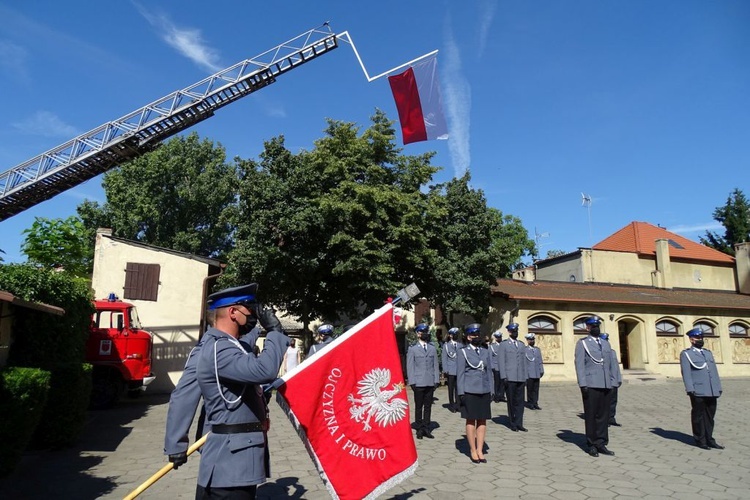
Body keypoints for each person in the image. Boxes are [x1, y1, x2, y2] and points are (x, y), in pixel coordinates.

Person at [194, 283, 290, 499]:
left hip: (235, 463)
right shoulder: (221, 348)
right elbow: (264, 370)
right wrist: (274, 331)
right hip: (229, 465)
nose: (253, 315)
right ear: (233, 312)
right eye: (249, 309)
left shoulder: (229, 345)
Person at [164, 312, 260, 469]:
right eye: (247, 309)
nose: (250, 314)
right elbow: (183, 397)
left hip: (246, 443)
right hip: (218, 442)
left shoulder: (238, 343)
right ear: (231, 313)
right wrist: (176, 444)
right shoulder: (208, 349)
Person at [575, 315, 616, 457]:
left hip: (605, 384)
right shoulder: (583, 343)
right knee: (592, 415)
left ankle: (602, 442)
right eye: (593, 326)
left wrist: (612, 382)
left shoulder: (605, 344)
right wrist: (583, 384)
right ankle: (592, 444)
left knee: (604, 416)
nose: (596, 328)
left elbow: (610, 364)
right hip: (591, 384)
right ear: (588, 328)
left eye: (598, 326)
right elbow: (580, 365)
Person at [680, 327, 724, 450]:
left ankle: (710, 439)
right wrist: (690, 389)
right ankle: (700, 440)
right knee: (698, 416)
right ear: (691, 339)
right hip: (698, 390)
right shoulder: (686, 354)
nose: (700, 340)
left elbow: (714, 372)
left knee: (710, 416)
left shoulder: (708, 353)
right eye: (698, 338)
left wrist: (718, 387)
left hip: (711, 390)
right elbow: (686, 373)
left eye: (701, 338)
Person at [457, 323, 494, 464]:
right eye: (473, 335)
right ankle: (472, 450)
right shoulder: (463, 352)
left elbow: (489, 371)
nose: (476, 337)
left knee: (483, 420)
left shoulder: (485, 351)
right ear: (468, 337)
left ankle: (480, 450)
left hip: (484, 389)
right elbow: (460, 374)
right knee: (471, 419)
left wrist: (492, 390)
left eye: (478, 335)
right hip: (470, 390)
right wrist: (461, 393)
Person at [407, 323, 440, 439]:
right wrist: (412, 382)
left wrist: (436, 379)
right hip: (418, 382)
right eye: (421, 332)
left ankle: (426, 427)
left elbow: (435, 365)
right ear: (417, 334)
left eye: (425, 332)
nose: (424, 334)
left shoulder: (431, 348)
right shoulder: (413, 349)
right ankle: (419, 428)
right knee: (418, 406)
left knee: (428, 406)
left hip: (430, 381)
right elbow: (410, 366)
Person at [499, 323, 528, 432]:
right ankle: (512, 423)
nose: (515, 333)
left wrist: (525, 376)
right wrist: (503, 376)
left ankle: (519, 423)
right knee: (511, 401)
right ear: (509, 332)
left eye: (516, 331)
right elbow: (501, 361)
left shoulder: (521, 344)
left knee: (520, 401)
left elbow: (524, 362)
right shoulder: (504, 345)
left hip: (520, 377)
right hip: (509, 377)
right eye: (513, 331)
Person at [600, 333, 622, 426]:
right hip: (604, 381)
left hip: (613, 381)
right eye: (604, 340)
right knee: (603, 402)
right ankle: (603, 420)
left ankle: (611, 418)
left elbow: (616, 366)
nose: (606, 341)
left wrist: (619, 379)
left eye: (607, 340)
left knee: (613, 401)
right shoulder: (598, 353)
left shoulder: (612, 352)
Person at [441, 327, 463, 413]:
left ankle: (458, 405)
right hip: (450, 370)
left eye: (457, 334)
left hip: (459, 370)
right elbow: (444, 358)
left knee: (459, 388)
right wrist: (445, 370)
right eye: (454, 334)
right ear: (450, 335)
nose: (456, 336)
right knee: (451, 389)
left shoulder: (460, 345)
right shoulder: (446, 346)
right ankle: (452, 405)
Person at [524, 332, 544, 410]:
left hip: (536, 373)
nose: (532, 341)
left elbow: (540, 361)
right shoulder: (525, 350)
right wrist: (525, 374)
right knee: (530, 389)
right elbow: (524, 363)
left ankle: (535, 403)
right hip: (529, 373)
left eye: (533, 339)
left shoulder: (537, 350)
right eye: (530, 340)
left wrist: (541, 370)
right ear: (527, 341)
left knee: (536, 389)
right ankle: (530, 403)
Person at [488, 331, 506, 403]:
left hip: (503, 367)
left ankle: (502, 395)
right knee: (497, 382)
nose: (499, 338)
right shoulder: (492, 346)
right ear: (495, 338)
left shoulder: (504, 345)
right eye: (497, 337)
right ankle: (496, 396)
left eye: (500, 337)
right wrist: (492, 367)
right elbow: (490, 357)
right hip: (496, 367)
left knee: (503, 382)